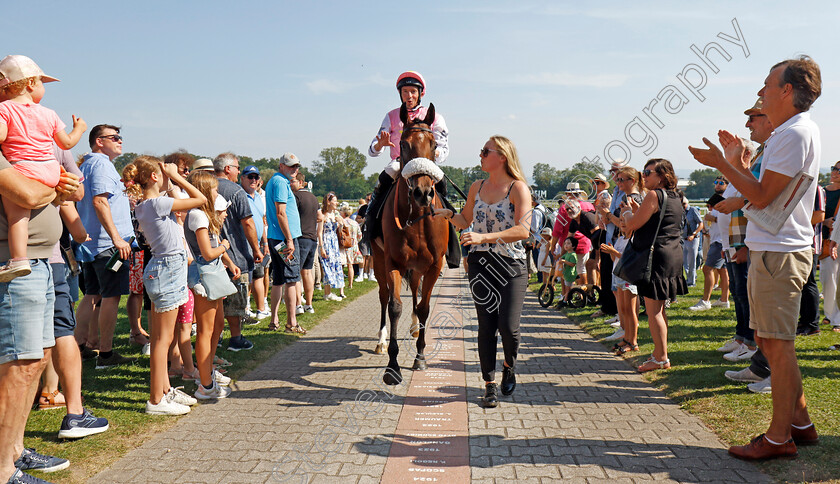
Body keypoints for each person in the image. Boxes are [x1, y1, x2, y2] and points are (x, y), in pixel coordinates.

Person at [690, 56, 822, 460]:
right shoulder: (790, 132)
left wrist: (722, 165)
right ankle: (799, 424)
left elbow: (761, 197)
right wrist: (737, 165)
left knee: (777, 347)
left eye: (767, 84)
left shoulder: (793, 133)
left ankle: (779, 438)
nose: (761, 91)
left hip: (780, 253)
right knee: (770, 341)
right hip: (776, 249)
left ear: (787, 90)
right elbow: (762, 190)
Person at [0, 149, 79, 482]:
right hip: (16, 266)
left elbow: (68, 190)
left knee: (37, 358)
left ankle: (14, 450)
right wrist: (55, 187)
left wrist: (58, 188)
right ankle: (3, 469)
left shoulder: (22, 152)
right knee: (20, 363)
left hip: (40, 261)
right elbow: (29, 194)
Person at [435, 135, 531, 408]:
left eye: (485, 151)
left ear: (502, 156)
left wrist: (483, 238)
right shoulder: (476, 186)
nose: (480, 155)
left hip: (510, 265)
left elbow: (523, 230)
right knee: (486, 327)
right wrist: (448, 214)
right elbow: (466, 220)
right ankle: (489, 384)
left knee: (508, 328)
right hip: (481, 265)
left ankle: (509, 366)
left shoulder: (517, 188)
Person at [123, 156, 205, 415]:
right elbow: (200, 200)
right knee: (162, 341)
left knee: (161, 338)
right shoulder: (159, 203)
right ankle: (156, 400)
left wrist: (169, 180)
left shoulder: (145, 205)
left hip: (160, 268)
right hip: (168, 269)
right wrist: (179, 178)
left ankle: (165, 389)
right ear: (155, 177)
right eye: (164, 172)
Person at [0, 55, 87, 282]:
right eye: (41, 82)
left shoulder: (5, 109)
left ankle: (19, 259)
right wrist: (79, 128)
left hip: (23, 168)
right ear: (30, 84)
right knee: (49, 198)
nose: (42, 88)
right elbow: (66, 143)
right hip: (51, 168)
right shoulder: (49, 113)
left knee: (18, 218)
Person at [365, 71, 459, 269]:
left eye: (413, 92)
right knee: (381, 185)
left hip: (427, 164)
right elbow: (372, 149)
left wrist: (431, 158)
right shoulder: (391, 116)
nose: (409, 96)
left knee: (442, 190)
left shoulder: (435, 117)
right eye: (405, 91)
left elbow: (444, 147)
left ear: (421, 94)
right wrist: (380, 145)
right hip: (399, 163)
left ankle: (451, 246)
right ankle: (369, 229)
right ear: (400, 94)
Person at [718, 99, 771, 383]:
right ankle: (759, 364)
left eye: (753, 117)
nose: (748, 123)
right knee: (751, 304)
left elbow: (761, 196)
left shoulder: (782, 146)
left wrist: (734, 164)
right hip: (753, 241)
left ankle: (766, 367)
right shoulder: (768, 150)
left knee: (766, 316)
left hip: (764, 243)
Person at [76, 124, 137, 369]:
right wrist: (117, 239)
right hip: (108, 246)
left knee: (92, 294)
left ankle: (78, 346)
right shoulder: (101, 164)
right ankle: (106, 353)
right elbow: (100, 201)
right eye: (114, 137)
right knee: (111, 297)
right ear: (99, 141)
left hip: (92, 244)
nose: (120, 141)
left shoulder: (87, 164)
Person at [622, 158, 687, 373]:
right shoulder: (676, 197)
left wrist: (629, 212)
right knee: (659, 310)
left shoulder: (653, 195)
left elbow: (632, 224)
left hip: (656, 258)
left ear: (661, 176)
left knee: (654, 312)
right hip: (672, 254)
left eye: (648, 172)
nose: (644, 176)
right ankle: (660, 353)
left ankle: (660, 357)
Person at [184, 171, 237, 401]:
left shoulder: (204, 216)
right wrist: (225, 247)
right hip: (204, 278)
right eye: (214, 189)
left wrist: (229, 262)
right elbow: (207, 252)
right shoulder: (198, 216)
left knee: (216, 325)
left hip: (213, 275)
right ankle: (205, 384)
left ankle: (207, 371)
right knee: (206, 331)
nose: (217, 193)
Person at [213, 152, 260, 351]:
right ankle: (236, 337)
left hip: (210, 253)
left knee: (214, 301)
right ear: (227, 169)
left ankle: (216, 337)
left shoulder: (204, 188)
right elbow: (247, 222)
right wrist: (256, 249)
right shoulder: (236, 191)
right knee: (235, 299)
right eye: (237, 168)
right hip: (235, 253)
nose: (239, 172)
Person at [599, 165, 645, 345]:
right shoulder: (629, 196)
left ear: (631, 181)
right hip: (623, 245)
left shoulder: (633, 198)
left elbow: (627, 224)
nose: (617, 183)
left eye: (620, 180)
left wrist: (608, 215)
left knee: (629, 303)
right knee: (621, 298)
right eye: (617, 179)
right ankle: (625, 333)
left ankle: (629, 336)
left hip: (629, 247)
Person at [264, 153, 306, 333]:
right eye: (291, 166)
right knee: (291, 279)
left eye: (296, 166)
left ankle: (274, 320)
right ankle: (291, 323)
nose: (294, 170)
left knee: (279, 280)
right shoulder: (281, 182)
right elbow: (281, 213)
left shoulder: (275, 180)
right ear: (281, 165)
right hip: (283, 238)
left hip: (275, 236)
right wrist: (289, 239)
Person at [689, 177, 731, 312]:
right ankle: (724, 300)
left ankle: (705, 301)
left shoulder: (728, 199)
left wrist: (713, 218)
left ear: (727, 185)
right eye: (716, 182)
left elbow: (729, 218)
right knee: (723, 271)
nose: (717, 185)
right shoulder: (716, 198)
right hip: (718, 239)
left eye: (721, 183)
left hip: (720, 241)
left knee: (707, 269)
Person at [240, 165, 270, 320]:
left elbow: (261, 222)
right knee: (246, 278)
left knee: (258, 275)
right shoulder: (240, 196)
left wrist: (265, 244)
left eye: (256, 177)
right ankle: (245, 308)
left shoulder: (258, 197)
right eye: (250, 177)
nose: (253, 180)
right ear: (242, 178)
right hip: (244, 243)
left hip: (258, 244)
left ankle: (261, 309)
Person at [291, 172, 319, 314]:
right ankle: (309, 304)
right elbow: (319, 216)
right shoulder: (314, 198)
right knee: (307, 272)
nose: (291, 184)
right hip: (312, 238)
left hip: (301, 238)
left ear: (301, 182)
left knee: (296, 273)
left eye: (293, 182)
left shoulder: (296, 197)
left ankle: (298, 305)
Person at [820, 160, 840, 330]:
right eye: (834, 168)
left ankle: (837, 319)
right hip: (825, 240)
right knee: (827, 279)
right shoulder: (823, 192)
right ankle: (829, 313)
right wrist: (824, 222)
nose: (836, 172)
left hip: (838, 239)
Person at [318, 192, 345, 301]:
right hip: (326, 241)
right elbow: (319, 232)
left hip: (334, 242)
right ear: (329, 202)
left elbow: (340, 231)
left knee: (334, 265)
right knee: (327, 266)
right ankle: (327, 293)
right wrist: (321, 247)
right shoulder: (323, 214)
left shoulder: (336, 214)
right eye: (334, 201)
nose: (336, 203)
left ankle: (330, 292)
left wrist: (341, 224)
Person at [339, 202, 362, 289]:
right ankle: (350, 284)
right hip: (353, 246)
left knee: (342, 265)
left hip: (344, 246)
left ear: (344, 213)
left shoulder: (342, 222)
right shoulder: (355, 223)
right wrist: (355, 241)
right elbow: (360, 235)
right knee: (350, 265)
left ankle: (341, 284)